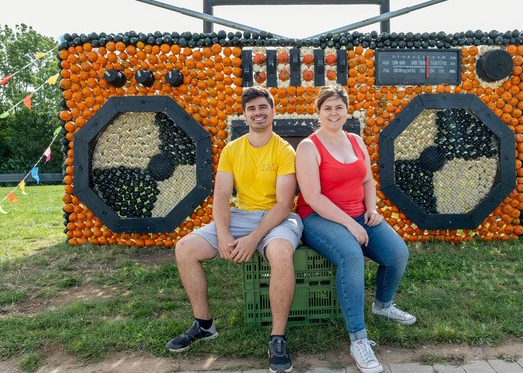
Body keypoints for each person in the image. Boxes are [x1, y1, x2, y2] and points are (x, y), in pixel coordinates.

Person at [167, 86, 303, 373]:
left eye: (262, 107)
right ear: (244, 115)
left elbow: (282, 204)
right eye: (251, 109)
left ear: (273, 111)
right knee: (185, 248)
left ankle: (277, 338)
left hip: (277, 217)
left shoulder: (283, 150)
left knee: (279, 252)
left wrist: (253, 239)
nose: (258, 113)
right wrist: (225, 234)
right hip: (241, 214)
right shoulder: (232, 150)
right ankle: (204, 325)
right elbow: (221, 197)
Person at [295, 84, 415, 373]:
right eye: (327, 108)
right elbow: (312, 197)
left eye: (339, 107)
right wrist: (349, 224)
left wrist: (371, 210)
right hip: (318, 219)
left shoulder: (356, 141)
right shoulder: (308, 146)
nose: (333, 113)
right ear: (318, 111)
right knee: (351, 256)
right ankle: (358, 339)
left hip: (361, 215)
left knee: (398, 253)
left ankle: (383, 306)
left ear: (346, 110)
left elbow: (367, 182)